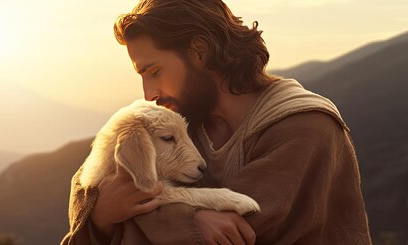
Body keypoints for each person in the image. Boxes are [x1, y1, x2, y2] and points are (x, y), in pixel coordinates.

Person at [61, 0, 372, 244]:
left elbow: (239, 225)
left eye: (154, 71)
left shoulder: (305, 127)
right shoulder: (184, 121)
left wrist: (106, 214)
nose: (149, 93)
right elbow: (88, 181)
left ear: (200, 51)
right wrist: (102, 212)